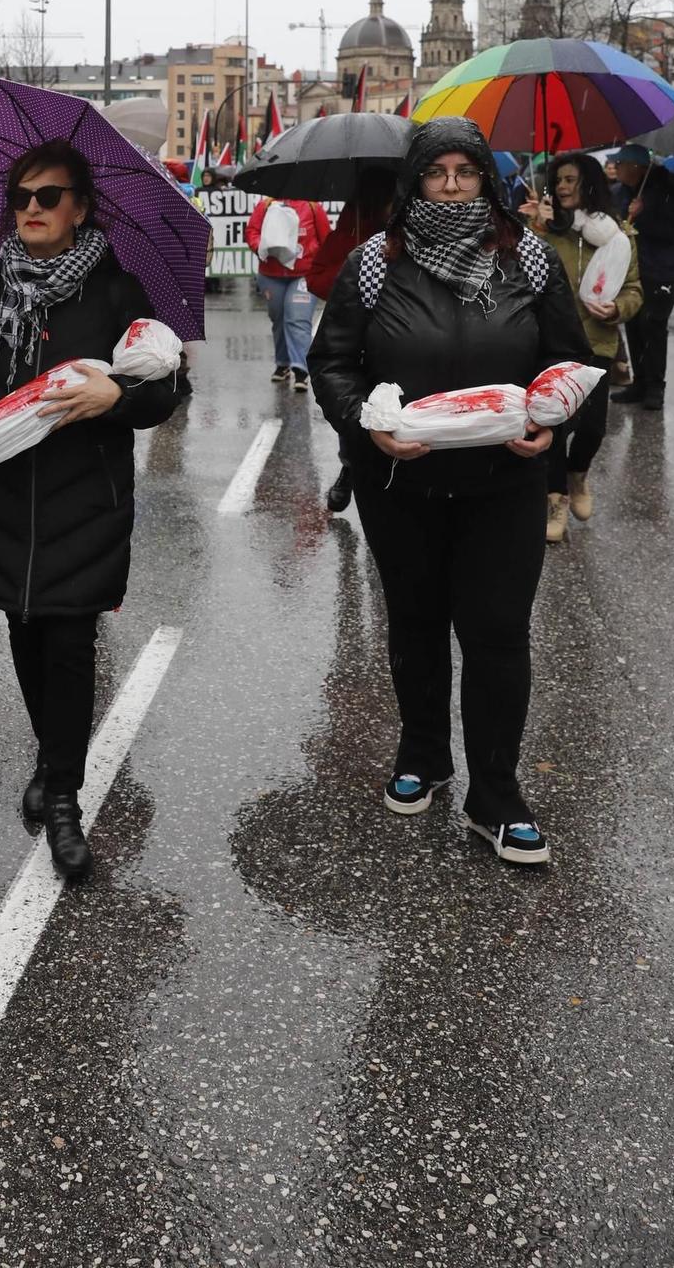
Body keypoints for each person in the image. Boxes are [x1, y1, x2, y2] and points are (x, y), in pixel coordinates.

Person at [309, 118, 591, 865]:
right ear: (415, 182)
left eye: (466, 173)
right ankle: (422, 754)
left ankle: (495, 794)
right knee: (415, 622)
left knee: (497, 632)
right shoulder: (374, 263)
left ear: (486, 182)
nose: (453, 187)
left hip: (504, 481)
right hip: (400, 479)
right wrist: (364, 424)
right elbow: (332, 364)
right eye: (438, 174)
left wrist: (550, 424)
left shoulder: (526, 257)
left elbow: (567, 357)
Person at [0, 138, 179, 881]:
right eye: (21, 197)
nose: (30, 209)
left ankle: (64, 794)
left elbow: (166, 391)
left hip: (83, 499)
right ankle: (50, 753)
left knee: (68, 643)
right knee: (23, 630)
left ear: (80, 207)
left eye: (48, 197)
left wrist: (116, 396)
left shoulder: (116, 292)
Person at [518, 152, 641, 541]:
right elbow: (518, 276)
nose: (563, 187)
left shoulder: (618, 235)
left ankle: (578, 474)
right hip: (550, 344)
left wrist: (617, 308)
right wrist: (538, 227)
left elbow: (635, 289)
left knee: (592, 429)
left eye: (571, 179)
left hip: (597, 342)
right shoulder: (542, 229)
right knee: (552, 423)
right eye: (558, 180)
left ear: (590, 183)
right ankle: (555, 498)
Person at [307, 168, 398, 512]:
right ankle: (350, 468)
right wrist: (352, 272)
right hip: (358, 346)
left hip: (397, 348)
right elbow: (316, 280)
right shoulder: (349, 237)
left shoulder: (411, 238)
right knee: (359, 416)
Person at [609, 146, 674, 411]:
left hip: (661, 270)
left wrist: (644, 218)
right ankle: (639, 383)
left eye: (620, 162)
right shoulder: (625, 192)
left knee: (653, 327)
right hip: (634, 269)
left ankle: (655, 387)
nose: (615, 167)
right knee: (633, 325)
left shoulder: (667, 192)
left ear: (637, 167)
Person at [244, 195, 331, 392]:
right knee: (279, 318)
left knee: (297, 319)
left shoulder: (312, 206)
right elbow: (251, 232)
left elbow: (327, 238)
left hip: (303, 275)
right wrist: (262, 246)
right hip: (271, 274)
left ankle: (301, 370)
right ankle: (283, 364)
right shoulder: (265, 205)